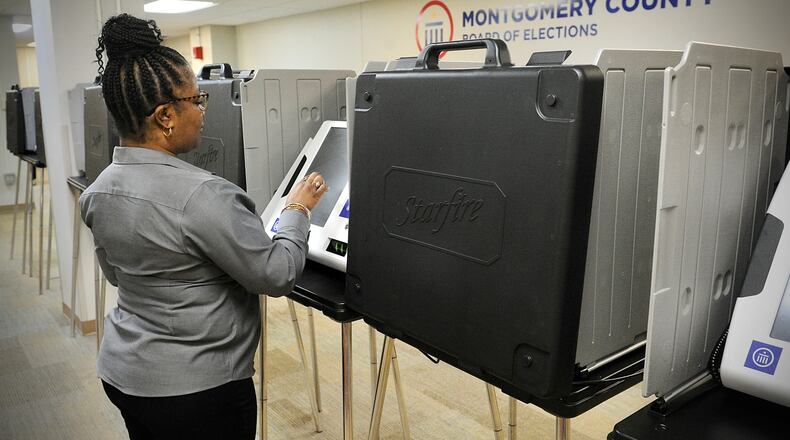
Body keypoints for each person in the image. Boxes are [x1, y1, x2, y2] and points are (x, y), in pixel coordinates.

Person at [80, 14, 327, 440]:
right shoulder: (205, 195)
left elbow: (117, 274)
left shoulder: (97, 192)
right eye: (197, 100)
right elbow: (277, 273)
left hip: (125, 375)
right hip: (197, 392)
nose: (202, 111)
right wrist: (297, 210)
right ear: (165, 117)